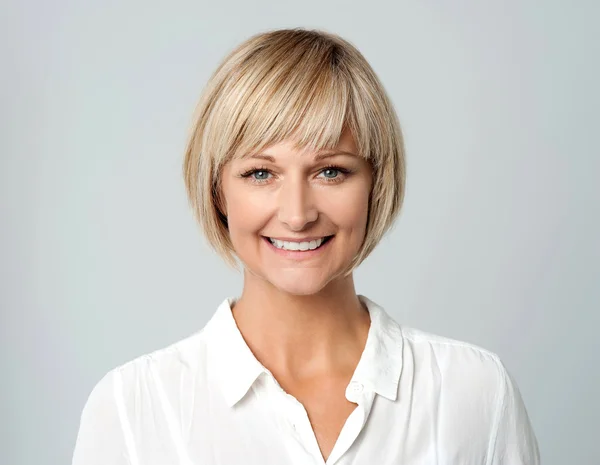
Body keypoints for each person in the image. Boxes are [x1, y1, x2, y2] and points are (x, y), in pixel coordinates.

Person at [72, 28, 540, 465]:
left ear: (376, 183)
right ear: (218, 191)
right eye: (261, 173)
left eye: (330, 171)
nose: (297, 214)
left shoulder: (474, 392)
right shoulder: (134, 410)